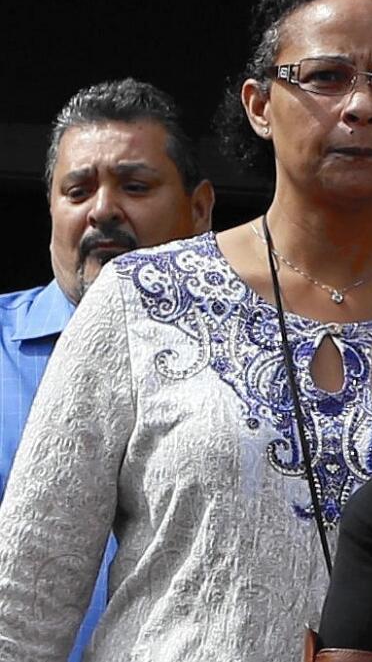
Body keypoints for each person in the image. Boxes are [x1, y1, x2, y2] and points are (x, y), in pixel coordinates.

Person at [0, 0, 372, 661]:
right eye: (325, 77)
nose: (361, 105)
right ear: (259, 104)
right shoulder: (141, 300)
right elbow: (22, 600)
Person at [0, 78, 214, 662]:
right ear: (49, 208)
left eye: (135, 186)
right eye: (76, 191)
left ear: (200, 210)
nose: (102, 211)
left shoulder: (243, 365)